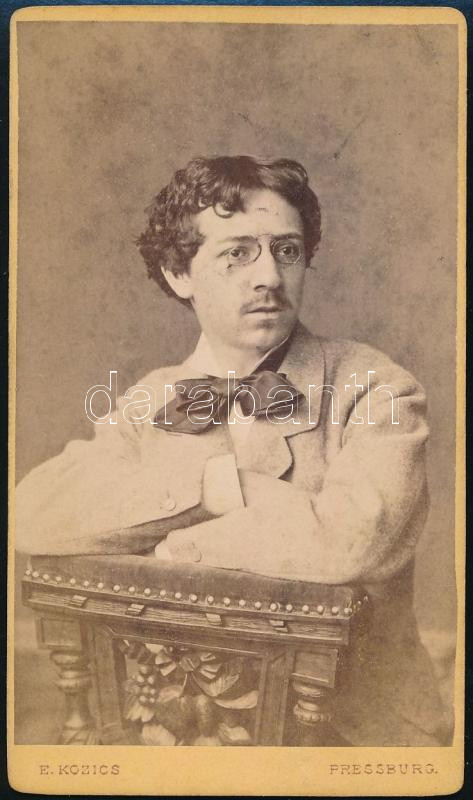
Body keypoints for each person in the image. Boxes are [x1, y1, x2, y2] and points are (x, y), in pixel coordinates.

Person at [16, 155, 447, 745]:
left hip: (352, 737)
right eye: (237, 253)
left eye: (286, 250)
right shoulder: (154, 398)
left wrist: (174, 543)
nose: (269, 275)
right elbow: (33, 511)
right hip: (176, 730)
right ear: (179, 274)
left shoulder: (376, 388)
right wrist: (216, 491)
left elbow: (353, 542)